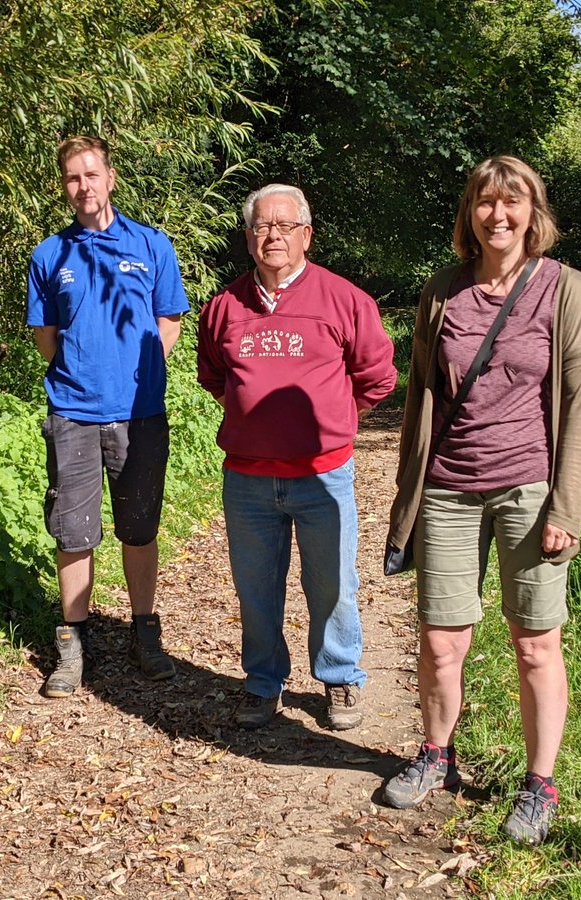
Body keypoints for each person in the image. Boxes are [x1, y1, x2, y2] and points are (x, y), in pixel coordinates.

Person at [383, 156, 581, 844]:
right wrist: (407, 498)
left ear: (533, 214)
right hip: (449, 488)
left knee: (535, 643)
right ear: (469, 214)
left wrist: (566, 508)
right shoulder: (442, 291)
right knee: (441, 640)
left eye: (512, 204)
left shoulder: (564, 291)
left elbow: (580, 403)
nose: (498, 215)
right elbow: (421, 396)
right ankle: (436, 756)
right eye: (485, 202)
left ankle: (540, 786)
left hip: (529, 492)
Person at [198, 184, 397, 731]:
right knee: (255, 586)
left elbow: (378, 376)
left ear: (307, 234)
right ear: (247, 237)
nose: (273, 236)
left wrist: (334, 420)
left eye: (285, 226)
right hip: (248, 479)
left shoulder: (345, 300)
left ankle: (338, 677)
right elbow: (214, 375)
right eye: (262, 226)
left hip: (323, 476)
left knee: (332, 582)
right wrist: (254, 422)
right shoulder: (223, 307)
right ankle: (263, 682)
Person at [27, 135, 190, 697]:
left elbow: (169, 317)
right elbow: (46, 336)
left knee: (139, 528)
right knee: (73, 531)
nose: (83, 187)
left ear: (111, 178)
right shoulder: (50, 255)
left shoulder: (150, 245)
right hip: (72, 411)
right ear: (64, 186)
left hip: (139, 412)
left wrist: (138, 368)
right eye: (73, 178)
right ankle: (73, 642)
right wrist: (82, 370)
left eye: (91, 175)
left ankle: (146, 632)